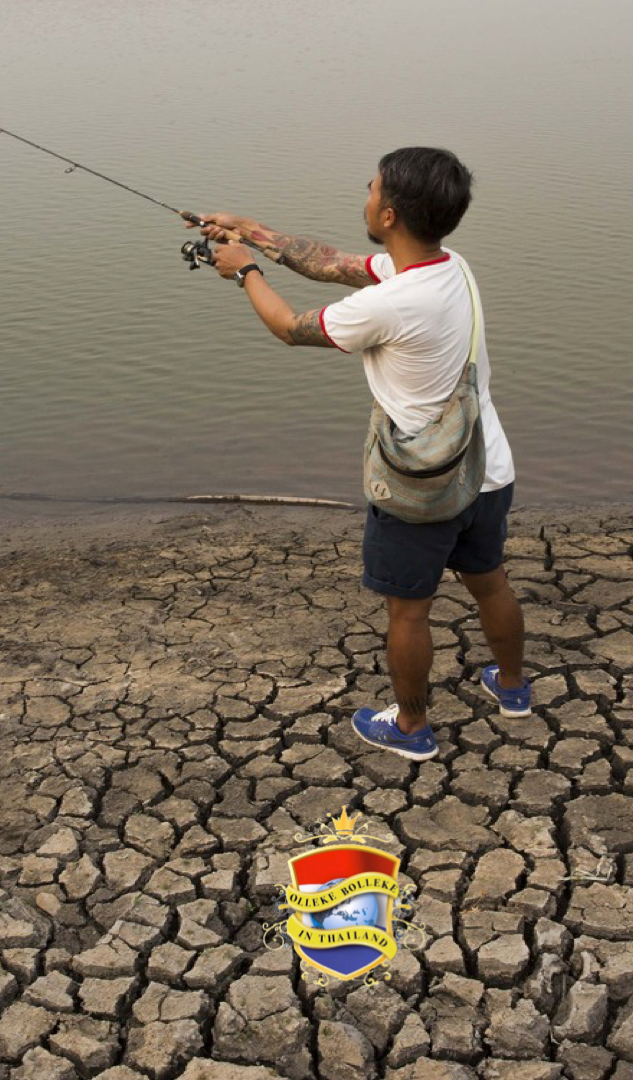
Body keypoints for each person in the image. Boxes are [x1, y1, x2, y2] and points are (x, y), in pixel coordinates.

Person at [188, 146, 528, 762]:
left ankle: (411, 728)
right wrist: (251, 232)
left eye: (370, 190)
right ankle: (511, 689)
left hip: (424, 485)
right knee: (490, 582)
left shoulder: (391, 303)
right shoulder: (451, 267)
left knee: (409, 612)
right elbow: (334, 264)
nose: (364, 197)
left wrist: (244, 272)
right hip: (487, 466)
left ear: (391, 214)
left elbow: (291, 327)